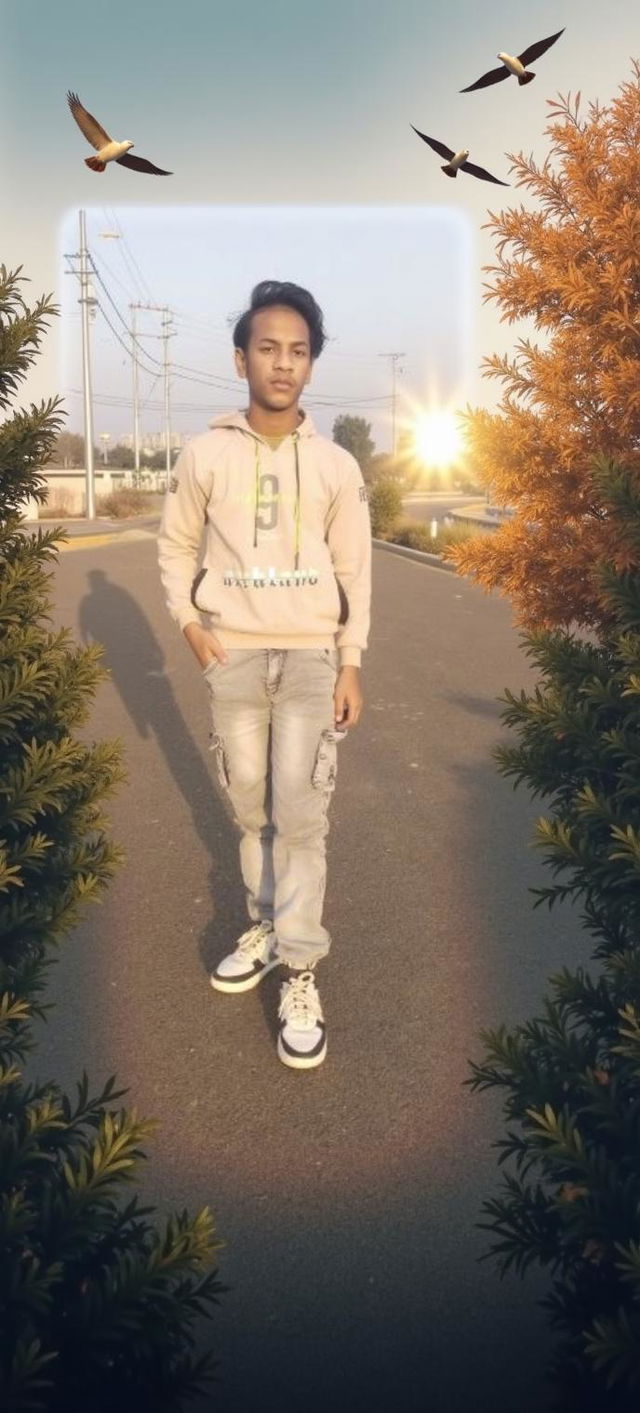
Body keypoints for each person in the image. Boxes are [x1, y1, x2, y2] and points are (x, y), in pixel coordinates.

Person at [157, 279, 372, 1069]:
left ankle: (300, 964)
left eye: (299, 351)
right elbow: (175, 545)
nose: (284, 363)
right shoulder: (206, 453)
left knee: (302, 815)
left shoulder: (336, 464)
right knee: (253, 812)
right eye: (269, 348)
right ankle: (266, 924)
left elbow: (356, 567)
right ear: (242, 357)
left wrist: (351, 660)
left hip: (314, 659)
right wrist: (189, 624)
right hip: (234, 656)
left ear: (311, 365)